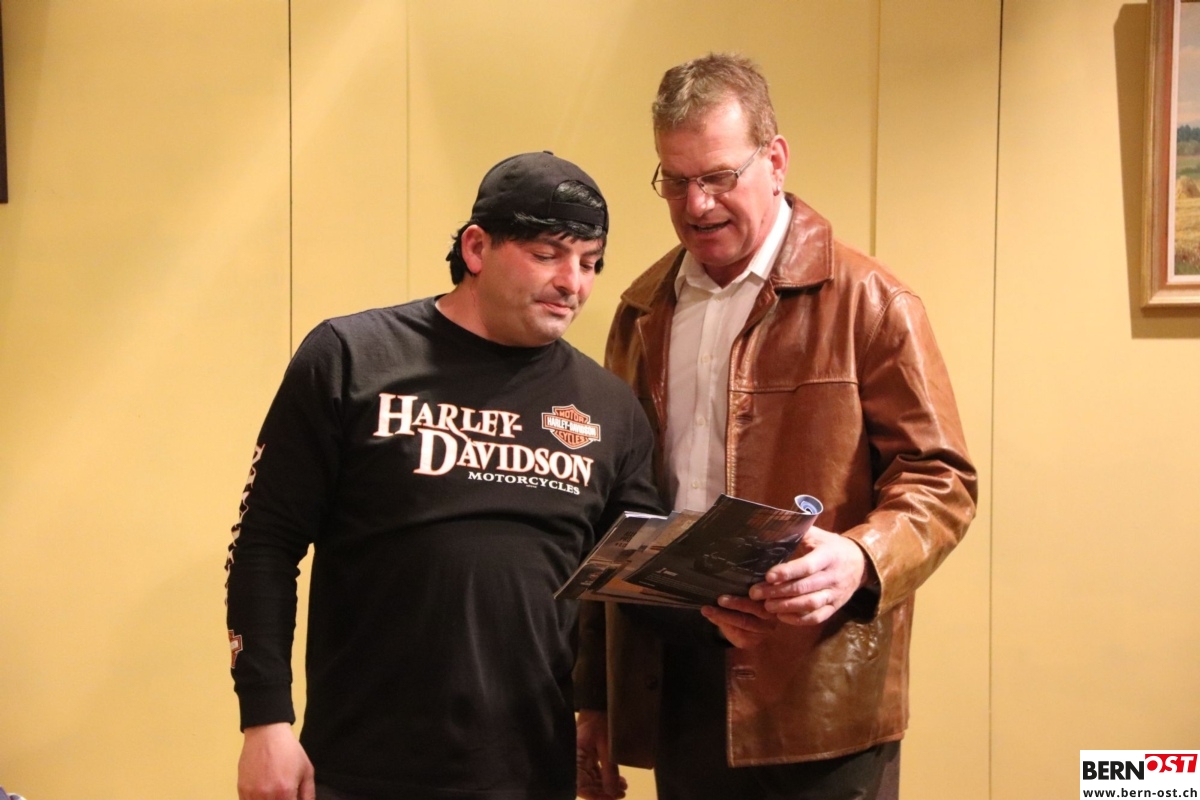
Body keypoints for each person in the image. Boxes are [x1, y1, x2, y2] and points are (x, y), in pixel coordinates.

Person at [574, 53, 977, 800]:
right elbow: (613, 513)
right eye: (674, 181)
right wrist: (593, 697)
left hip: (818, 693)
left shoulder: (872, 301)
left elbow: (942, 479)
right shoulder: (641, 310)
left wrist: (861, 557)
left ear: (776, 160)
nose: (696, 205)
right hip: (676, 683)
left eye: (718, 176)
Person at [224, 151, 662, 800]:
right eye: (547, 254)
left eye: (590, 262)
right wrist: (265, 719)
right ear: (477, 248)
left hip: (528, 773)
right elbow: (264, 544)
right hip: (361, 770)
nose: (572, 282)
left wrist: (597, 707)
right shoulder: (352, 357)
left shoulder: (610, 408)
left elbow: (629, 580)